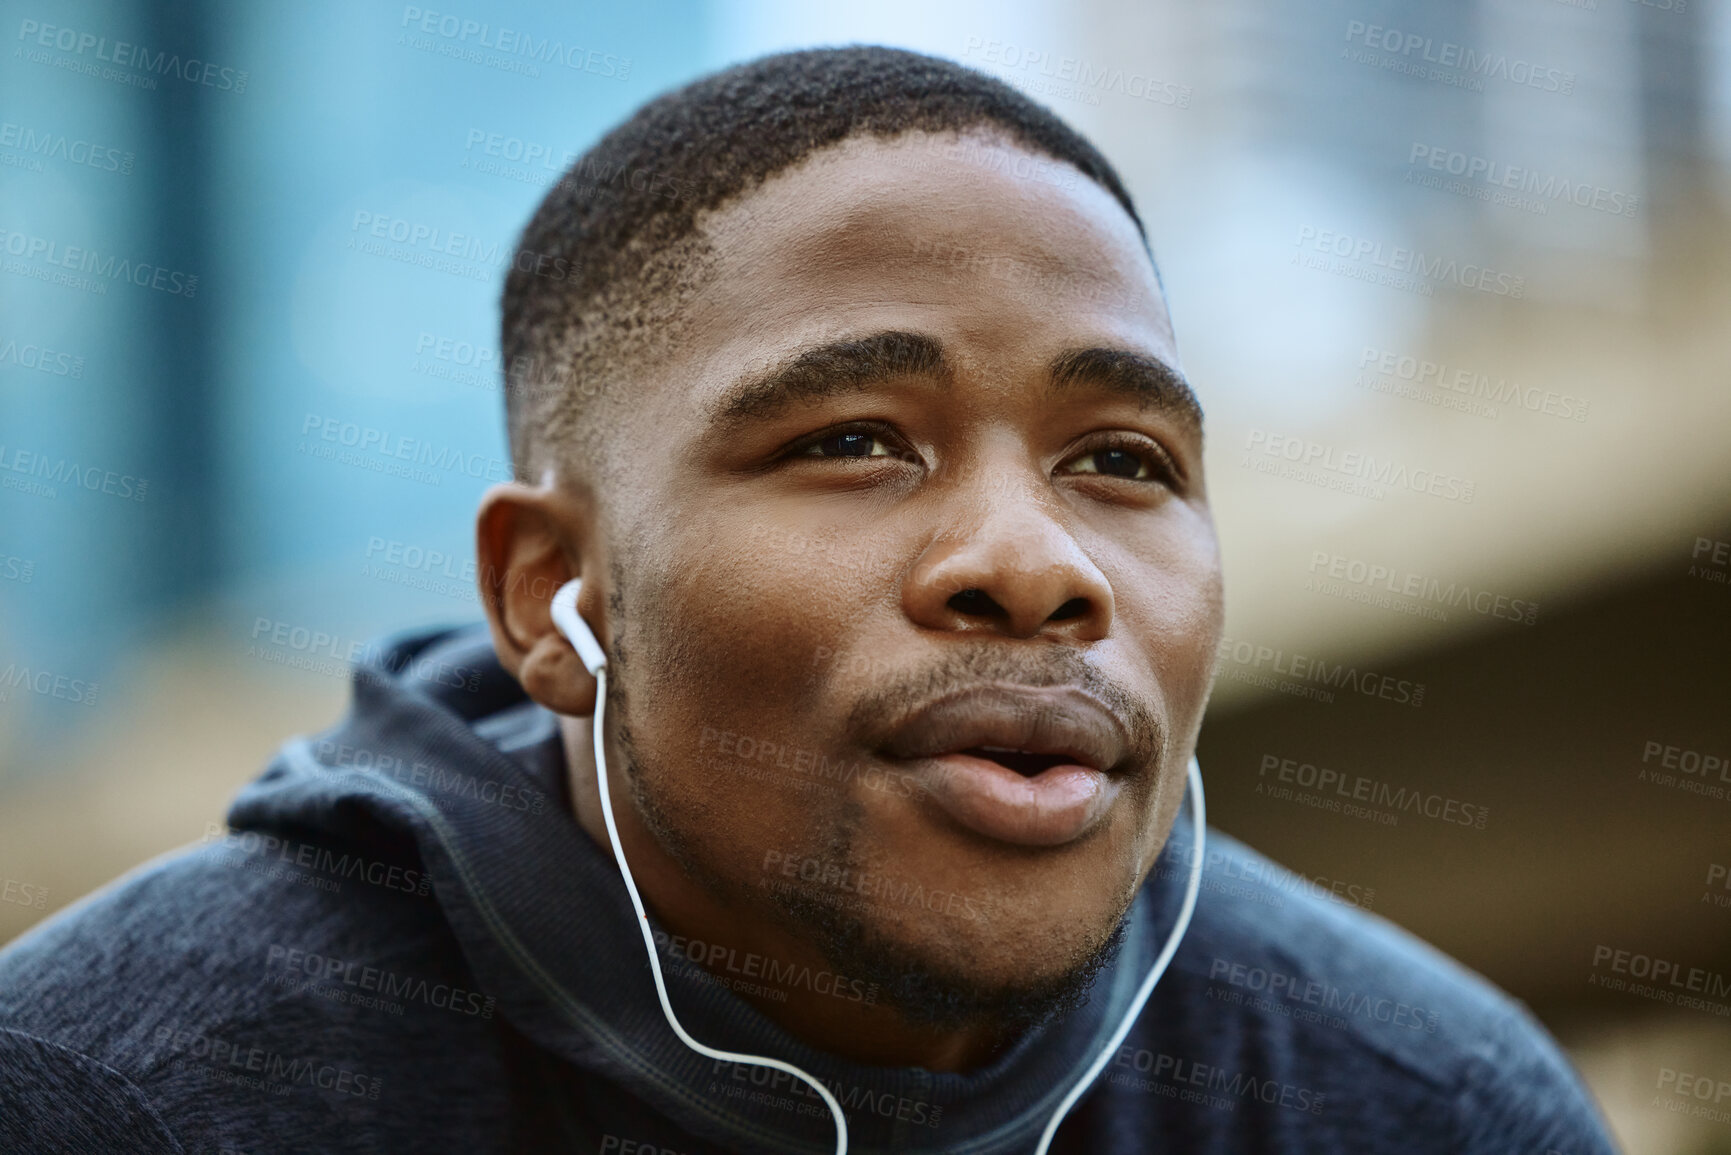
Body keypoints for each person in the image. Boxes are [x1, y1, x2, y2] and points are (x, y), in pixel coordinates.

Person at [0, 46, 1616, 1154]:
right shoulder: (113, 1096)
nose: (1036, 564)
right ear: (554, 593)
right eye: (854, 441)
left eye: (1122, 459)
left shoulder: (1423, 1107)